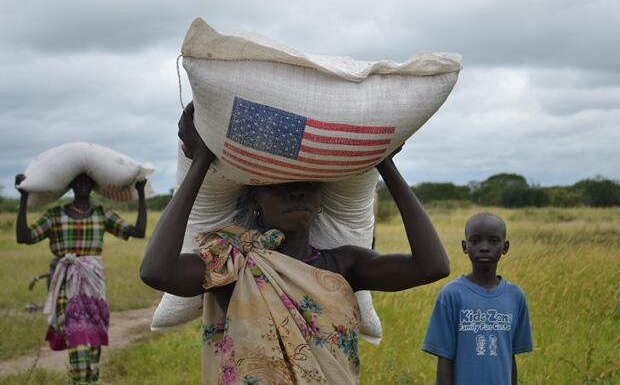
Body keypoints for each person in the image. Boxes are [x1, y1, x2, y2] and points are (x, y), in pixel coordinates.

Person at [139, 103, 451, 385]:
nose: (296, 192)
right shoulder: (233, 262)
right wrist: (201, 162)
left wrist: (385, 164)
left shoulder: (346, 265)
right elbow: (157, 272)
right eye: (279, 186)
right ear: (254, 199)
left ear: (320, 201)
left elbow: (431, 266)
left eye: (308, 185)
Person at [15, 172, 148, 384]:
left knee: (93, 340)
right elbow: (24, 237)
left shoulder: (101, 213)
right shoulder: (55, 215)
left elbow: (138, 232)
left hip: (93, 286)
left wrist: (140, 193)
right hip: (65, 285)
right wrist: (23, 198)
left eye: (87, 179)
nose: (83, 183)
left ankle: (91, 379)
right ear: (70, 185)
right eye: (77, 180)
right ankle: (80, 381)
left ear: (94, 184)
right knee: (76, 336)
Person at [422, 213, 533, 385]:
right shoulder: (451, 295)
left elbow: (510, 356)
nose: (484, 247)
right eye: (475, 240)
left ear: (506, 247)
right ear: (464, 246)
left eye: (494, 241)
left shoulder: (515, 296)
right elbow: (444, 359)